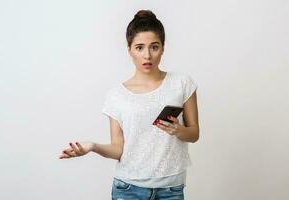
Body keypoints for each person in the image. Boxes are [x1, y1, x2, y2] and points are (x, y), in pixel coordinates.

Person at [59, 9, 199, 200]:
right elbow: (118, 149)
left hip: (170, 189)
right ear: (129, 50)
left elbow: (194, 134)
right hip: (128, 190)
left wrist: (178, 130)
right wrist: (92, 146)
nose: (147, 55)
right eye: (139, 47)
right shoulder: (116, 95)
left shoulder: (182, 83)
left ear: (163, 48)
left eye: (154, 47)